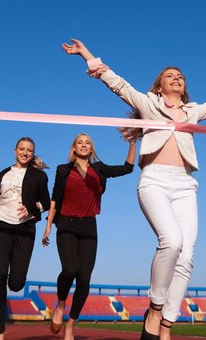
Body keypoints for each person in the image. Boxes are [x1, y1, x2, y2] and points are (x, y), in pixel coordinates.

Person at [62, 39, 206, 340]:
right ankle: (155, 309)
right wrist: (86, 55)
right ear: (159, 86)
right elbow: (115, 82)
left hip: (184, 184)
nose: (176, 78)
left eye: (180, 76)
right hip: (154, 180)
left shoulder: (193, 112)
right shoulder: (148, 104)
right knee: (171, 240)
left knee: (187, 254)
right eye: (170, 75)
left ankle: (166, 324)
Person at [42, 132, 136, 340]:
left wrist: (132, 143)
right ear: (74, 148)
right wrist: (48, 226)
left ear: (91, 149)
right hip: (66, 223)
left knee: (84, 279)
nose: (84, 145)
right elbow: (55, 199)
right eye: (80, 143)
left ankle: (70, 326)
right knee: (70, 269)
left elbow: (128, 168)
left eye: (87, 143)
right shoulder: (63, 170)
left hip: (89, 227)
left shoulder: (99, 168)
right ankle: (60, 304)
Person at [0, 137, 51, 340]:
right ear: (15, 150)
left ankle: (16, 282)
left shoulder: (39, 176)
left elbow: (47, 202)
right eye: (22, 149)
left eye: (29, 150)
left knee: (15, 283)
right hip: (1, 227)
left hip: (25, 230)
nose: (25, 152)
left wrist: (32, 207)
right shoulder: (2, 175)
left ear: (33, 153)